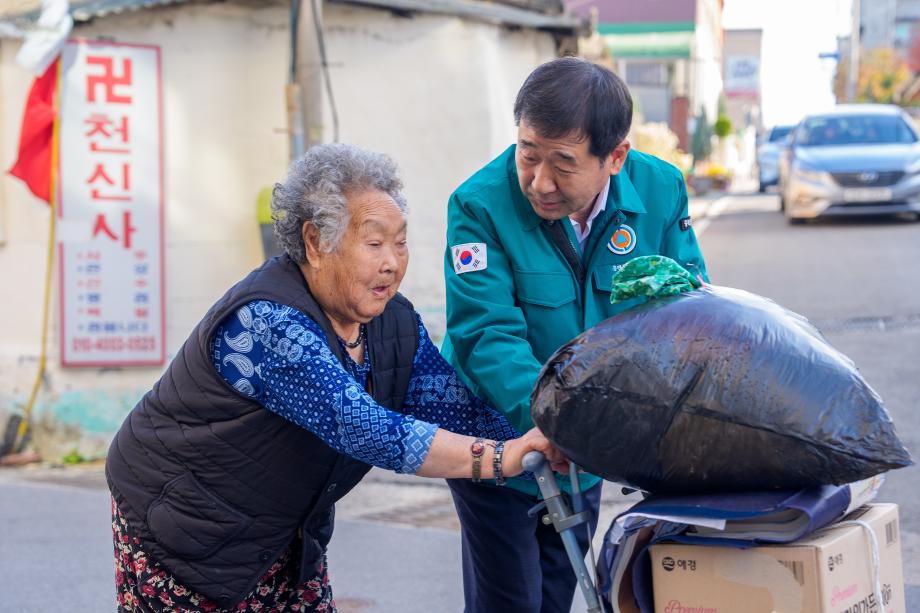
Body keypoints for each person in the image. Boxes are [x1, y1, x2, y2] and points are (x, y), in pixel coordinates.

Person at [105, 143, 566, 613]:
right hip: (184, 524)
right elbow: (363, 428)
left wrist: (557, 435)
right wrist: (503, 457)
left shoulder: (392, 322)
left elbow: (453, 406)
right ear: (314, 243)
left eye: (401, 242)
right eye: (374, 243)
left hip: (282, 528)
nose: (392, 261)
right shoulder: (267, 324)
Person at [442, 57, 710, 612]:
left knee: (559, 591)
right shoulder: (478, 205)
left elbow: (687, 309)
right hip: (496, 433)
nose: (539, 181)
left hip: (586, 442)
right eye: (527, 153)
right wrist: (559, 421)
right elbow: (485, 334)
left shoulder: (660, 191)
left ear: (615, 157)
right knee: (510, 600)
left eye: (563, 164)